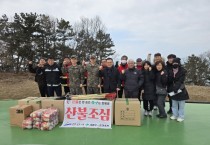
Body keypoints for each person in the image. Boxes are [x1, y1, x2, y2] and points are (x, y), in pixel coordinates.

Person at [168, 58, 189, 122]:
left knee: (181, 105)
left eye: (176, 63)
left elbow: (180, 81)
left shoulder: (182, 71)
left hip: (180, 90)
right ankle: (175, 115)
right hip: (173, 90)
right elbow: (169, 81)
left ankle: (181, 116)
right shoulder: (170, 71)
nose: (175, 64)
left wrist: (176, 89)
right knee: (174, 104)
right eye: (174, 63)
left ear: (179, 64)